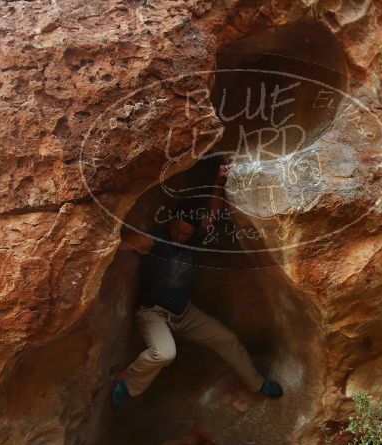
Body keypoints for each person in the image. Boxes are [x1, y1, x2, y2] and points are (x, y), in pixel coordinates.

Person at [109, 158, 283, 411]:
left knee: (227, 339)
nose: (180, 237)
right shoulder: (155, 241)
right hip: (152, 313)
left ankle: (257, 384)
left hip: (184, 312)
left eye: (186, 234)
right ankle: (127, 381)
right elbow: (124, 243)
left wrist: (219, 181)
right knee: (164, 353)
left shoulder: (194, 240)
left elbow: (211, 213)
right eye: (177, 230)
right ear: (172, 222)